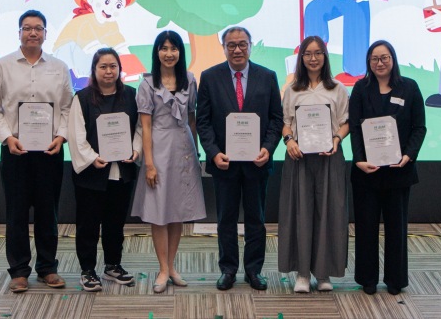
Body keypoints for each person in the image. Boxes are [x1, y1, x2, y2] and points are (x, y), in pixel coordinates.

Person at [0, 9, 73, 293]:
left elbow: (68, 108)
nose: (33, 32)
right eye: (27, 28)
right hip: (15, 152)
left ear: (45, 33)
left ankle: (47, 268)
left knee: (48, 212)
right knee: (16, 213)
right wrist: (7, 138)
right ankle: (19, 271)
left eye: (38, 28)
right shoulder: (2, 67)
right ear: (19, 32)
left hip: (49, 152)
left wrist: (61, 136)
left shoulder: (59, 67)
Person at [197, 26, 283, 291]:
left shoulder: (267, 76)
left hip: (257, 163)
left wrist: (268, 148)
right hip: (224, 164)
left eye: (242, 44)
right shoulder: (209, 77)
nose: (237, 49)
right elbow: (203, 121)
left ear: (250, 46)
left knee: (256, 219)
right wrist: (213, 152)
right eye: (231, 45)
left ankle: (254, 270)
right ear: (224, 48)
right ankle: (228, 269)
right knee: (226, 219)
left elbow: (276, 119)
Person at [349, 40, 427, 296]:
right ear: (368, 63)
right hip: (367, 171)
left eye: (384, 58)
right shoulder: (360, 88)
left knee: (396, 228)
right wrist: (358, 159)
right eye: (374, 59)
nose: (379, 63)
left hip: (398, 171)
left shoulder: (409, 87)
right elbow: (355, 128)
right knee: (366, 227)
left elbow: (419, 128)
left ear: (393, 59)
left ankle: (395, 280)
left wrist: (409, 155)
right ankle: (367, 279)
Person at [131, 31, 207, 293]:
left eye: (174, 48)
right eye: (163, 48)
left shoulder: (190, 80)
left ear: (180, 52)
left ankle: (172, 266)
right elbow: (145, 126)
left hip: (184, 150)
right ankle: (162, 269)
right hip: (159, 150)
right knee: (159, 212)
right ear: (157, 52)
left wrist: (196, 152)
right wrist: (149, 164)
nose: (169, 53)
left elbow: (192, 118)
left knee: (178, 211)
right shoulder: (147, 84)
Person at [278, 36, 350, 293]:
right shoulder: (292, 90)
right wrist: (289, 141)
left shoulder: (338, 88)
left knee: (329, 214)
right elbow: (286, 123)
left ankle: (323, 273)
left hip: (329, 158)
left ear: (325, 57)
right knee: (300, 213)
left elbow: (345, 122)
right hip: (299, 159)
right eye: (308, 54)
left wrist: (336, 139)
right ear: (301, 58)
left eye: (318, 53)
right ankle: (302, 274)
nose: (313, 58)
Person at [68, 48, 142, 292]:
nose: (109, 71)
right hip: (92, 173)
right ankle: (88, 270)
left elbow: (140, 128)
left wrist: (136, 150)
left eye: (113, 66)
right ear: (94, 70)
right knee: (88, 224)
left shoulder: (131, 95)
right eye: (103, 66)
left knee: (115, 222)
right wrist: (92, 158)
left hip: (121, 171)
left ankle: (113, 265)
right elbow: (76, 135)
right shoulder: (82, 98)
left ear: (120, 69)